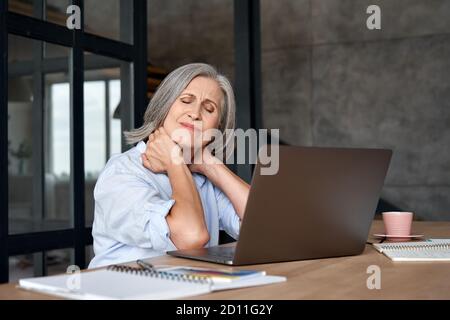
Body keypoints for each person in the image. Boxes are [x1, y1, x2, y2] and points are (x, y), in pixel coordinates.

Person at [88, 63, 250, 268]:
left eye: (209, 108)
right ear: (163, 106)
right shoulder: (123, 172)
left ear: (217, 127)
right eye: (186, 100)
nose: (195, 113)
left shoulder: (203, 179)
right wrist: (175, 162)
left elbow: (267, 226)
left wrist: (209, 164)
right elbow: (191, 236)